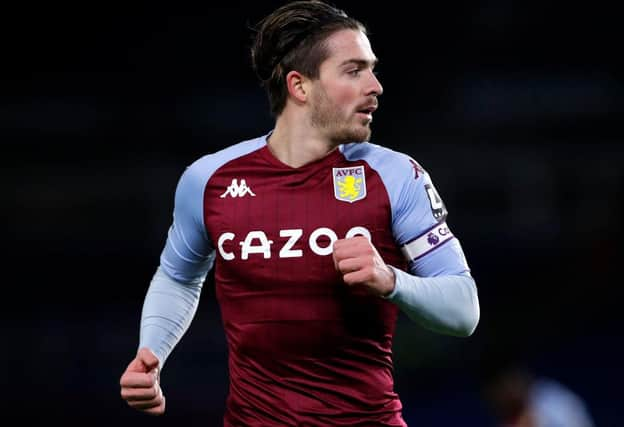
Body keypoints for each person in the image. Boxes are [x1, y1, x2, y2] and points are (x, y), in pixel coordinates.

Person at [118, 1, 480, 425]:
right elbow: (179, 275)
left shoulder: (396, 175)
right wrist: (152, 351)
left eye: (372, 68)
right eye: (354, 70)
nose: (376, 85)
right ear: (300, 86)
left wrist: (391, 281)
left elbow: (464, 310)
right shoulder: (209, 179)